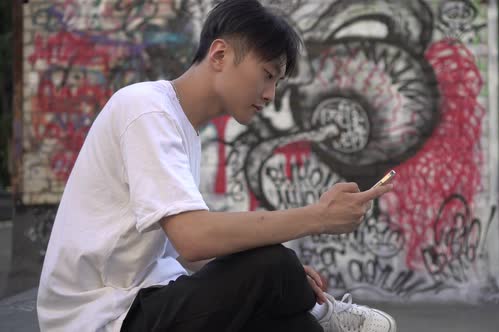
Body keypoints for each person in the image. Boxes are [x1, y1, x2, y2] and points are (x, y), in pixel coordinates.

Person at [36, 0, 397, 331]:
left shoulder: (181, 129)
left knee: (289, 320)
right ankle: (324, 312)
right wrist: (318, 217)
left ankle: (317, 315)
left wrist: (265, 283)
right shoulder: (146, 109)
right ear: (220, 55)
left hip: (144, 300)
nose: (271, 95)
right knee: (277, 264)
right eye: (268, 74)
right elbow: (194, 238)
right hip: (101, 316)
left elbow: (186, 253)